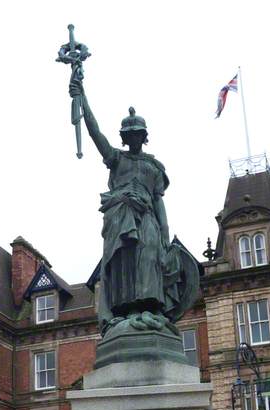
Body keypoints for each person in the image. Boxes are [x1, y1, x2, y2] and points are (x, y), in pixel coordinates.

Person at [70, 79, 195, 335]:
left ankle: (149, 306)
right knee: (123, 264)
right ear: (125, 137)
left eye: (138, 133)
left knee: (149, 258)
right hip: (120, 218)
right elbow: (96, 134)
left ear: (144, 136)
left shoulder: (154, 166)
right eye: (130, 134)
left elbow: (159, 201)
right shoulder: (117, 159)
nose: (134, 137)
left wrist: (165, 234)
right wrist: (81, 97)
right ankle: (126, 311)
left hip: (147, 218)